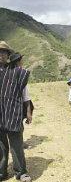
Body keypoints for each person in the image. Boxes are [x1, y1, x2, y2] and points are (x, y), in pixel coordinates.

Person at [0, 41, 32, 182]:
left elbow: (25, 93)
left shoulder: (17, 72)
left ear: (8, 55)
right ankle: (2, 173)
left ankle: (21, 172)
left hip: (13, 113)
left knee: (17, 145)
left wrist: (28, 111)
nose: (0, 54)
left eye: (3, 52)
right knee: (0, 146)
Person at [9, 53, 34, 149]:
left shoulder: (7, 72)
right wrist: (28, 112)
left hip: (10, 104)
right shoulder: (21, 74)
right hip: (18, 104)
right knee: (18, 125)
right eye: (21, 60)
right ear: (18, 62)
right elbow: (26, 96)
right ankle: (19, 143)